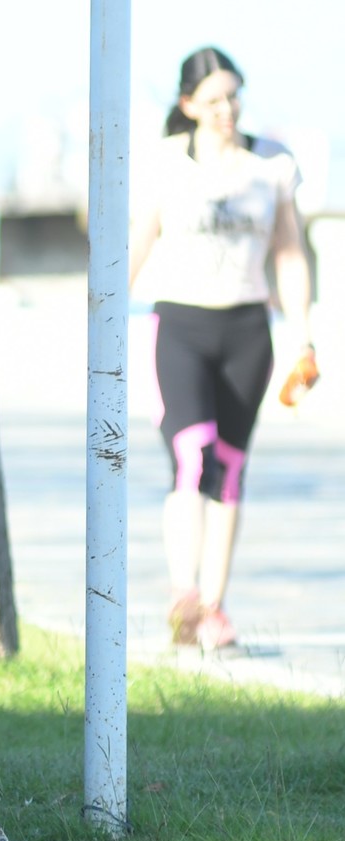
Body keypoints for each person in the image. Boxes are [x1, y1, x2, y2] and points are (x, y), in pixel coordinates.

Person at [128, 46, 315, 651]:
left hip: (246, 332)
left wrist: (303, 333)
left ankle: (214, 607)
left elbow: (289, 252)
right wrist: (98, 312)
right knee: (191, 458)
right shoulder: (164, 163)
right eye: (213, 100)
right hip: (179, 326)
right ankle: (184, 593)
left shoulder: (272, 165)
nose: (227, 109)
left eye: (234, 96)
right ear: (188, 106)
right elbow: (138, 242)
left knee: (229, 470)